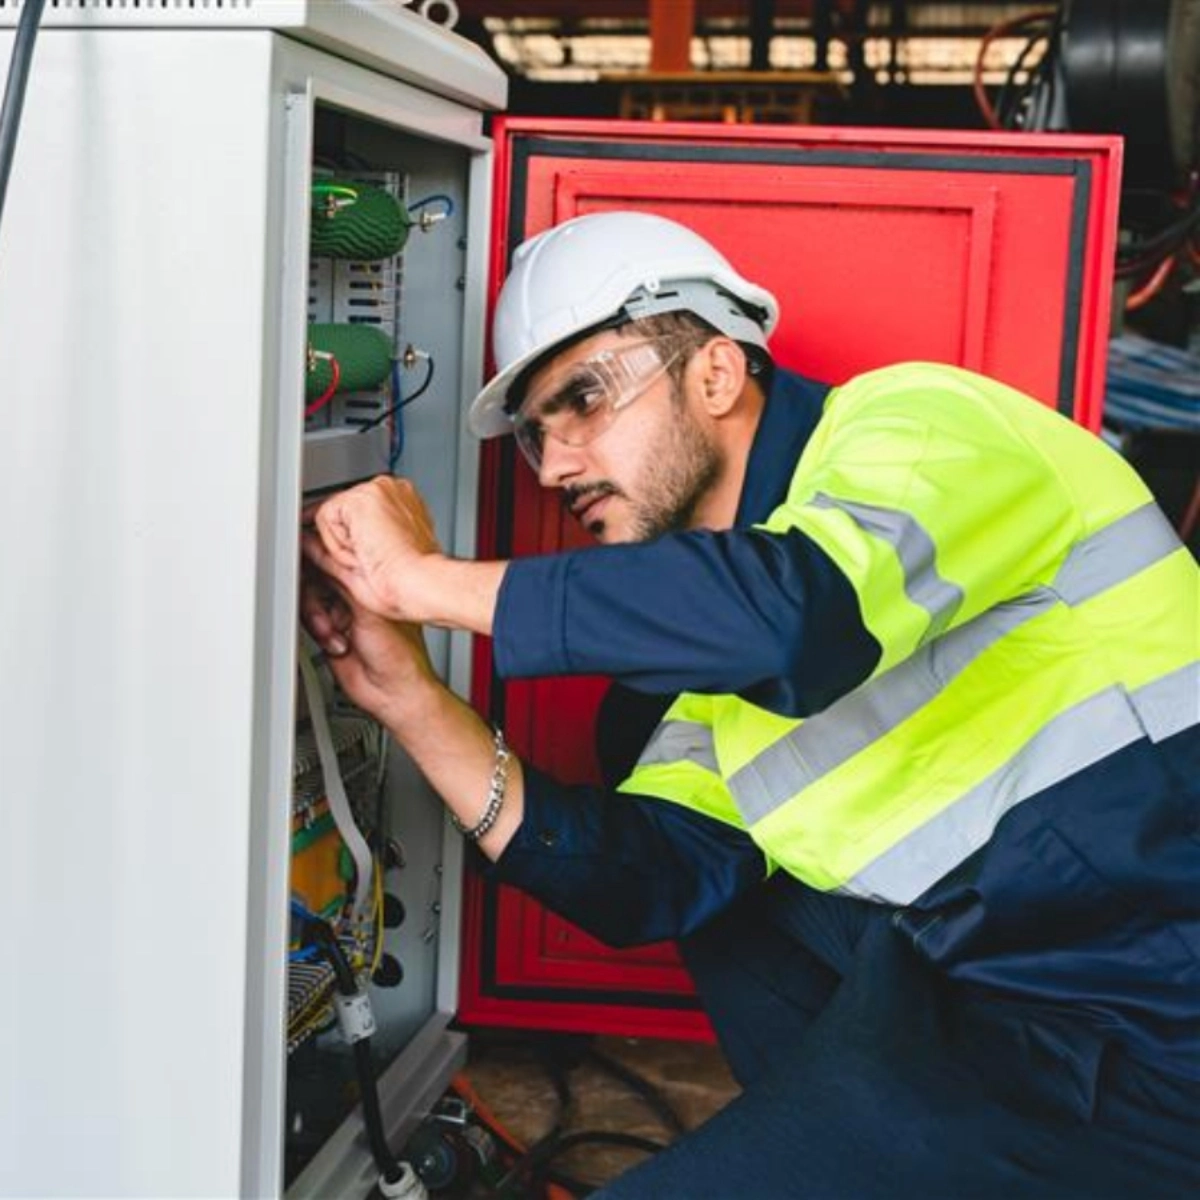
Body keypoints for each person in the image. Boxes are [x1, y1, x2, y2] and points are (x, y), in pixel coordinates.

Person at [302, 210, 1200, 1198]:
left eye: (583, 400)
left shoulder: (916, 423)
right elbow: (652, 876)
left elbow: (797, 619)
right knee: (726, 897)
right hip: (987, 1004)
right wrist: (411, 698)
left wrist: (421, 581)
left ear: (718, 372)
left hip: (1147, 995)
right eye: (534, 436)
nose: (555, 466)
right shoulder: (709, 670)